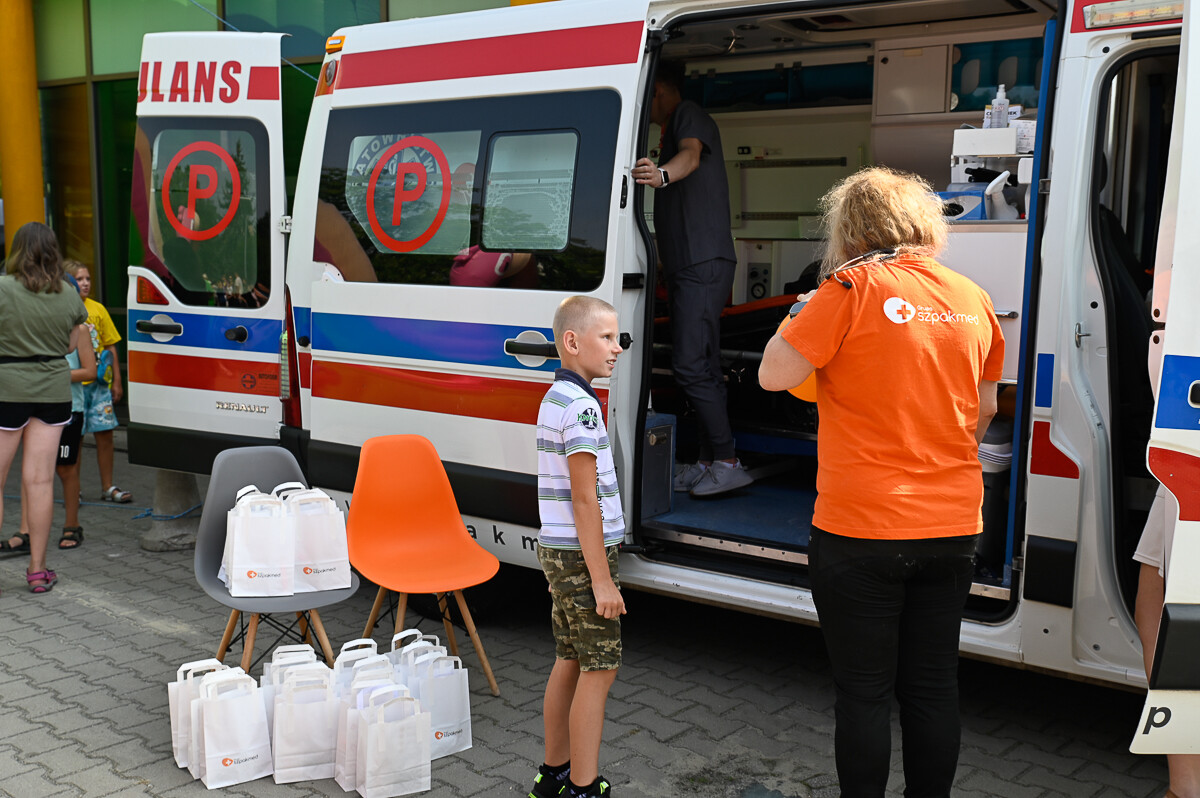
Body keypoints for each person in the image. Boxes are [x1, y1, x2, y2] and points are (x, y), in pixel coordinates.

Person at [759, 167, 1004, 798]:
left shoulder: (849, 286)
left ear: (850, 229)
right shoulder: (971, 296)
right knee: (932, 686)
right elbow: (985, 413)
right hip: (952, 526)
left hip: (861, 527)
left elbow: (774, 375)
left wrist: (807, 310)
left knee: (864, 694)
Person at [633, 61, 751, 498]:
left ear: (660, 89)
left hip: (701, 264)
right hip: (690, 264)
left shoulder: (686, 113)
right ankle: (709, 461)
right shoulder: (671, 126)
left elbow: (691, 155)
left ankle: (726, 460)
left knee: (689, 365)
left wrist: (661, 175)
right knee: (700, 366)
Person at [530, 296, 626, 798]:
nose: (617, 348)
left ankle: (554, 775)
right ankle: (586, 788)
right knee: (601, 668)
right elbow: (585, 500)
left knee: (569, 656)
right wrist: (603, 579)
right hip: (583, 557)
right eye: (607, 338)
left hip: (559, 553)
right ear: (572, 342)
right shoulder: (584, 408)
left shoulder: (555, 398)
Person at [0, 222, 90, 593]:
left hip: (7, 385)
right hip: (53, 389)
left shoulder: (3, 289)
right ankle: (38, 571)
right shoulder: (69, 294)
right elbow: (71, 344)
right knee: (38, 481)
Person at [1133, 336, 1200, 798]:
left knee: (1166, 614)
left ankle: (1185, 784)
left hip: (1186, 458)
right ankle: (1183, 779)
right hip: (1178, 464)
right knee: (1153, 599)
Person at [13, 274, 97, 551]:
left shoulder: (81, 330)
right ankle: (25, 532)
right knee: (32, 471)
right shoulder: (37, 327)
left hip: (70, 407)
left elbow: (89, 371)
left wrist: (52, 375)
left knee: (65, 470)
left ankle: (72, 525)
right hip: (37, 404)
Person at [69, 262, 132, 504]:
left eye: (87, 278)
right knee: (76, 438)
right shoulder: (65, 310)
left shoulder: (98, 309)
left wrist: (117, 380)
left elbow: (110, 345)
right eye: (79, 279)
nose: (85, 283)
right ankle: (74, 488)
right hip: (74, 387)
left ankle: (108, 487)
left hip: (99, 387)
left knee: (105, 434)